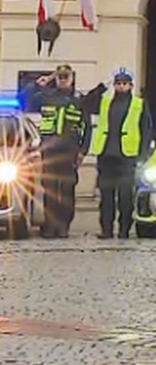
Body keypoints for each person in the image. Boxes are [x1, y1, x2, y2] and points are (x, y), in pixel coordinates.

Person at [20, 65, 104, 238]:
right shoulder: (45, 96)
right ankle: (50, 226)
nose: (63, 80)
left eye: (66, 77)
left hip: (69, 152)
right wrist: (37, 84)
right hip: (49, 152)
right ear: (55, 79)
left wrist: (83, 151)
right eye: (60, 77)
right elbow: (22, 100)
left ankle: (63, 226)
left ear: (72, 79)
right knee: (49, 190)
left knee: (66, 191)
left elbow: (87, 128)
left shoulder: (79, 100)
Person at [87, 67, 152, 239]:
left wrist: (143, 155)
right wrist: (102, 86)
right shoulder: (105, 102)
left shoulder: (139, 104)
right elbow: (86, 102)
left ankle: (124, 230)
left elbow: (146, 130)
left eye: (124, 84)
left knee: (125, 198)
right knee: (106, 198)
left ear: (130, 86)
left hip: (127, 157)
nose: (121, 87)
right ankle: (106, 230)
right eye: (118, 84)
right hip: (106, 156)